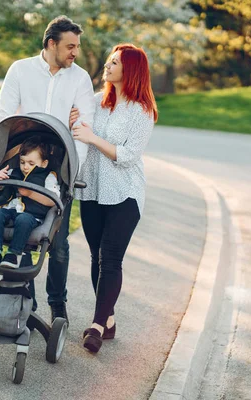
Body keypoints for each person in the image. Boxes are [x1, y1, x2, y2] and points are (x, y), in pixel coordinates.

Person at [0, 15, 95, 321]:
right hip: (24, 161)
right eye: (70, 46)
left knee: (58, 244)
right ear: (52, 44)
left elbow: (83, 127)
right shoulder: (21, 70)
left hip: (59, 168)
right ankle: (27, 298)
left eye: (76, 46)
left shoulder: (80, 78)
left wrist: (71, 175)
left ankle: (57, 303)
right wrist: (0, 164)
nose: (74, 52)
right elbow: (2, 116)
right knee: (21, 232)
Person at [70, 43, 158, 353]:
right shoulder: (96, 102)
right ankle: (107, 320)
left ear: (130, 70)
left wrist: (93, 137)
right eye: (110, 60)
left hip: (125, 194)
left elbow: (128, 156)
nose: (108, 65)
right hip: (92, 190)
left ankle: (95, 326)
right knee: (97, 256)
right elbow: (77, 131)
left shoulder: (142, 111)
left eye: (115, 62)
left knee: (111, 258)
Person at [0, 137, 60, 269]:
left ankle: (13, 254)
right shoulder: (14, 172)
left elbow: (53, 200)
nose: (25, 167)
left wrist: (30, 194)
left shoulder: (49, 177)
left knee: (23, 219)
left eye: (31, 163)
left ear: (44, 163)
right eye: (22, 162)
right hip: (11, 210)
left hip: (32, 215)